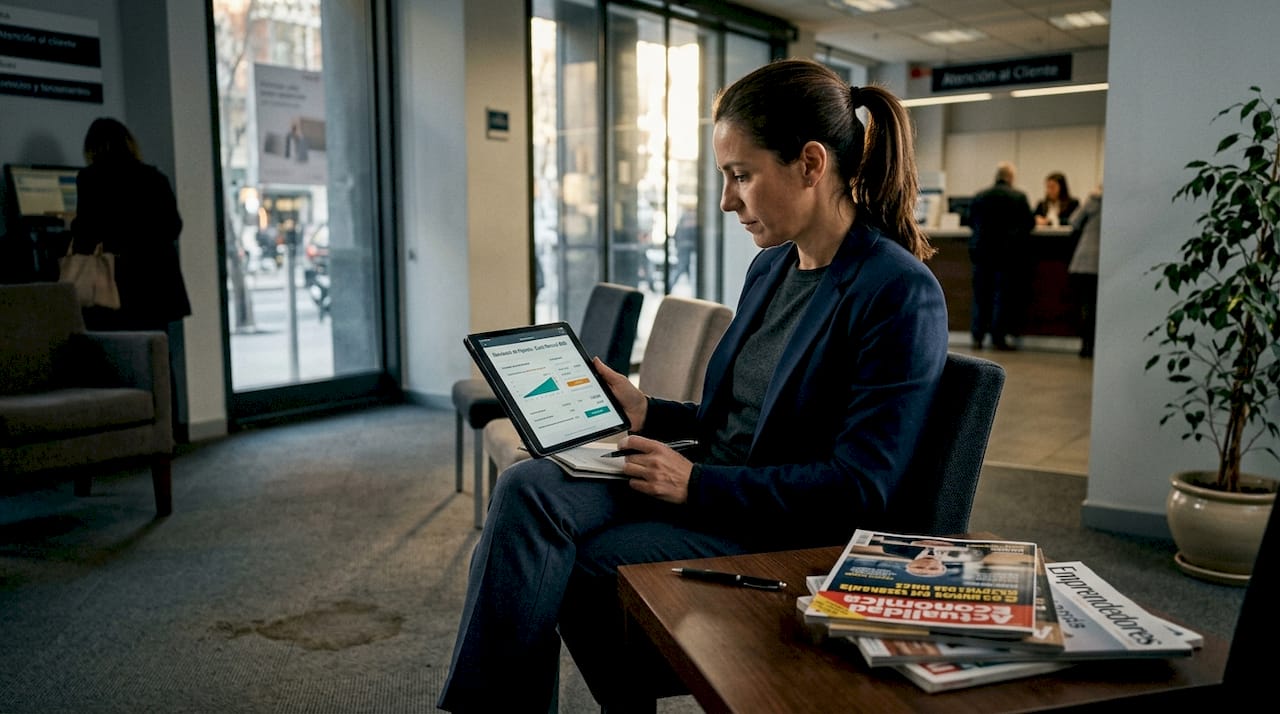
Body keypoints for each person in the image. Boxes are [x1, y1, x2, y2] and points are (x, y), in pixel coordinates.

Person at [437, 58, 949, 712]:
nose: (728, 200)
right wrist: (648, 410)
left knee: (557, 560)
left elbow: (860, 488)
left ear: (812, 165)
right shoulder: (771, 269)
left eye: (741, 176)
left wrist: (696, 484)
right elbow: (735, 418)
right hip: (711, 480)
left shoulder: (898, 293)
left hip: (778, 526)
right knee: (528, 486)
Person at [71, 117, 192, 332]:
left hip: (117, 283)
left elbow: (85, 235)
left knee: (117, 352)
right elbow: (174, 226)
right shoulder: (154, 177)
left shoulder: (91, 178)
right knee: (153, 353)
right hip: (156, 284)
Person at [967, 161, 1034, 351]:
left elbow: (970, 221)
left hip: (981, 253)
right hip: (1007, 255)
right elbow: (1029, 224)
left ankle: (977, 336)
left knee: (981, 295)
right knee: (1001, 296)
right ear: (1011, 177)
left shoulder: (980, 196)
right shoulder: (1019, 197)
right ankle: (998, 337)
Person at [1068, 185, 1102, 358]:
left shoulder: (1094, 200)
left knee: (1086, 305)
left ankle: (1085, 346)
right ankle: (1093, 344)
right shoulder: (1119, 203)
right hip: (1102, 262)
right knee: (1097, 307)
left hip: (1084, 261)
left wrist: (1091, 197)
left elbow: (1074, 221)